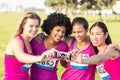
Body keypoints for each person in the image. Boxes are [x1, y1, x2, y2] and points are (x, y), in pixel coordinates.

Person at [3, 12, 54, 80]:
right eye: (31, 26)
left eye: (37, 26)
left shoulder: (30, 42)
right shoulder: (16, 41)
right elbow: (21, 57)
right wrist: (40, 58)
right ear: (23, 25)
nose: (34, 29)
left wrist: (41, 34)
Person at [30, 12, 72, 80]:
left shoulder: (63, 47)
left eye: (63, 32)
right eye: (58, 30)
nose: (60, 34)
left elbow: (65, 64)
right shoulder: (36, 41)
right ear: (50, 28)